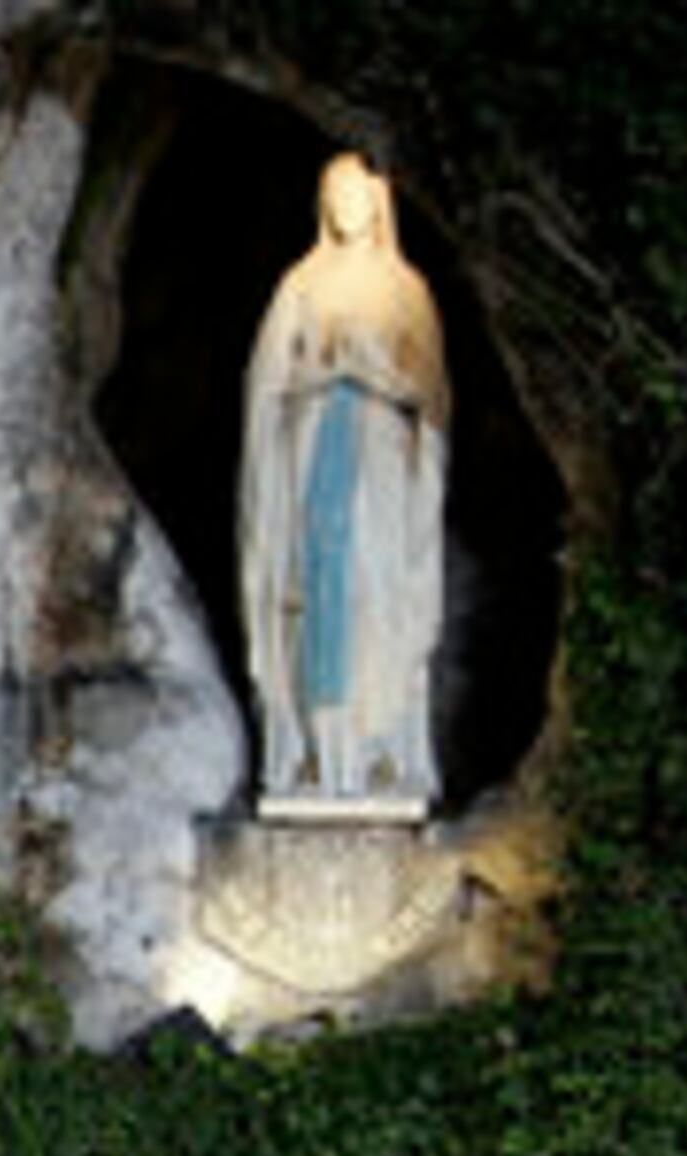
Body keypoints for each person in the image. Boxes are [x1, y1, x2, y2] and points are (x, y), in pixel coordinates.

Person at [238, 150, 450, 813]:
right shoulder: (300, 285)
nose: (344, 205)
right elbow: (267, 383)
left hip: (381, 463)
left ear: (377, 200)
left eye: (355, 193)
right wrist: (322, 376)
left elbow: (431, 392)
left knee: (375, 592)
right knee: (312, 590)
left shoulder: (405, 288)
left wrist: (374, 375)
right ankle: (314, 753)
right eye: (333, 194)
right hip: (310, 456)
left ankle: (379, 746)